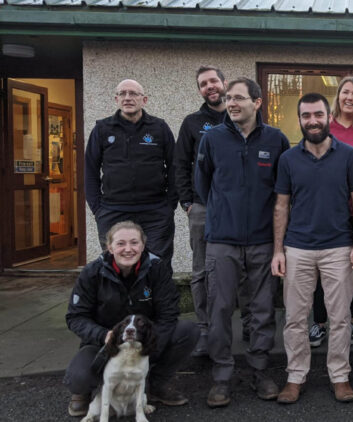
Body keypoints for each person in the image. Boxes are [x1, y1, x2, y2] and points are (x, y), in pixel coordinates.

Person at [195, 77, 290, 408]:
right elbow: (202, 184)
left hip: (263, 240)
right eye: (228, 98)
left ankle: (260, 371)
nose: (231, 103)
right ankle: (221, 376)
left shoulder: (276, 140)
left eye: (238, 98)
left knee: (262, 310)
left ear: (257, 102)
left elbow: (283, 190)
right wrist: (224, 213)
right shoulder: (212, 138)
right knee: (220, 309)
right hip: (222, 240)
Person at [272, 93, 353, 404]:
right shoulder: (288, 159)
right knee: (295, 318)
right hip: (297, 248)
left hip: (338, 247)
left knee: (340, 318)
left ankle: (340, 376)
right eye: (306, 116)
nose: (312, 121)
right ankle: (295, 377)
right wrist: (278, 251)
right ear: (300, 119)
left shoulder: (349, 155)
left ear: (328, 117)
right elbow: (281, 206)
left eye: (318, 114)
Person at [64, 221, 199, 417]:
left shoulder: (157, 269)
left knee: (188, 331)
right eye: (121, 243)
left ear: (143, 245)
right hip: (104, 343)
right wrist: (103, 335)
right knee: (78, 378)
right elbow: (75, 317)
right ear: (110, 247)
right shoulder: (91, 273)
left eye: (134, 243)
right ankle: (85, 393)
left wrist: (149, 345)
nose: (128, 249)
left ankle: (155, 384)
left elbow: (168, 314)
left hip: (144, 340)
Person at [309, 75, 353, 348]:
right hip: (328, 209)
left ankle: (350, 321)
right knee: (322, 268)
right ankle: (319, 322)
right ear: (338, 96)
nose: (350, 97)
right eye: (345, 92)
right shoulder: (325, 125)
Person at [85, 79, 177, 262]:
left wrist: (169, 205)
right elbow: (90, 170)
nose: (127, 97)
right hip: (113, 212)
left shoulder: (159, 128)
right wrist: (97, 209)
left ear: (144, 100)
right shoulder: (102, 129)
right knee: (117, 266)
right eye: (122, 93)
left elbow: (175, 166)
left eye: (133, 93)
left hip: (155, 213)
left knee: (157, 265)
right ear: (116, 99)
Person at [174, 65, 228, 358]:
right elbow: (180, 163)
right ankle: (204, 329)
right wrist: (187, 202)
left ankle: (244, 325)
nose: (210, 86)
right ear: (200, 90)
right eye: (204, 83)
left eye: (213, 81)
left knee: (241, 267)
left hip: (235, 209)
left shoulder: (239, 117)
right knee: (201, 271)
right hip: (202, 206)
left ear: (224, 83)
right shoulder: (192, 123)